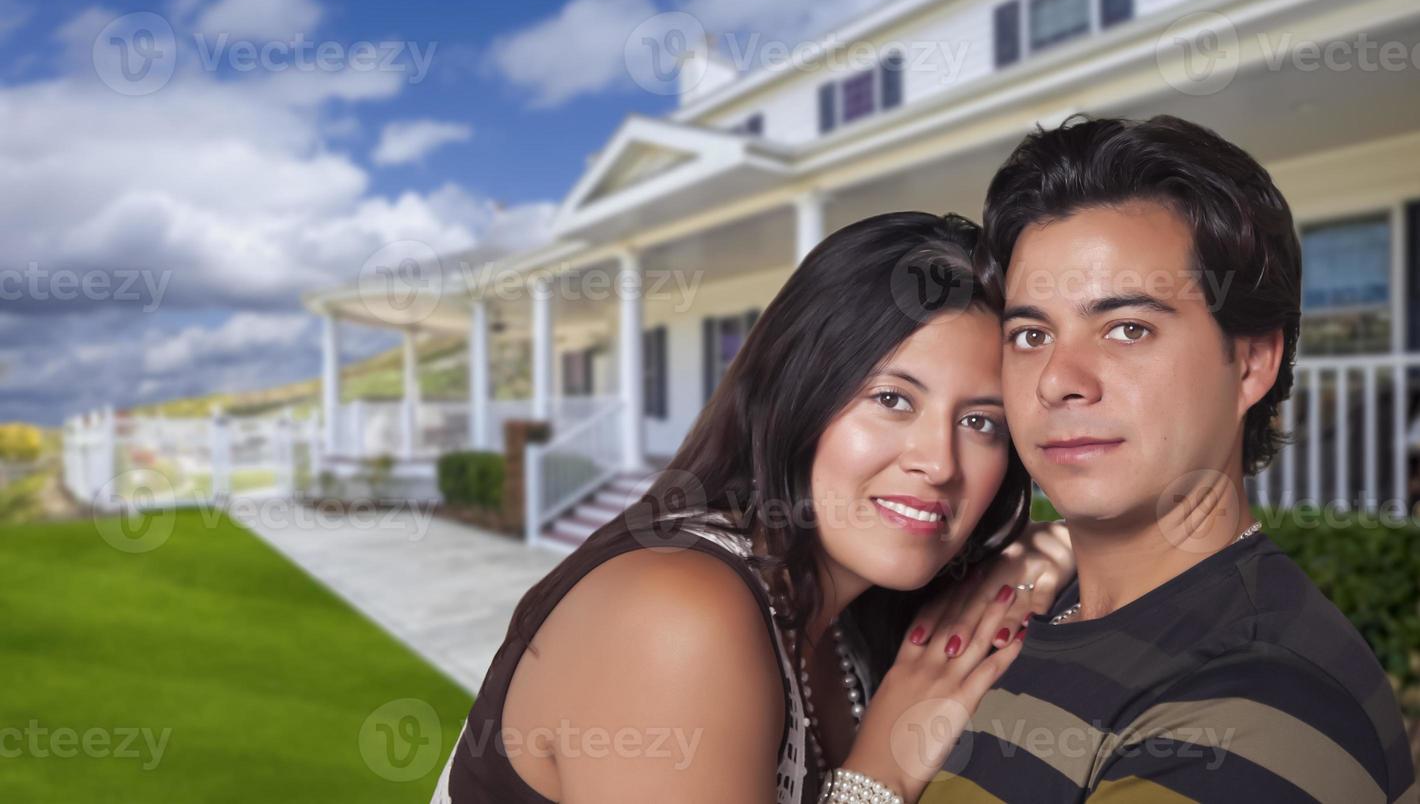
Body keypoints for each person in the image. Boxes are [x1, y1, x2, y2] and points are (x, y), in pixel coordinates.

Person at [431, 211, 1077, 803]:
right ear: (796, 393)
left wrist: (1035, 559)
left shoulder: (845, 617)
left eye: (982, 423)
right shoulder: (676, 615)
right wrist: (883, 773)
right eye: (892, 400)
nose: (939, 463)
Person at [926, 114, 1416, 802]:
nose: (1059, 378)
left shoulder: (1260, 702)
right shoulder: (1020, 608)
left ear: (1250, 362)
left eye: (1128, 328)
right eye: (1032, 333)